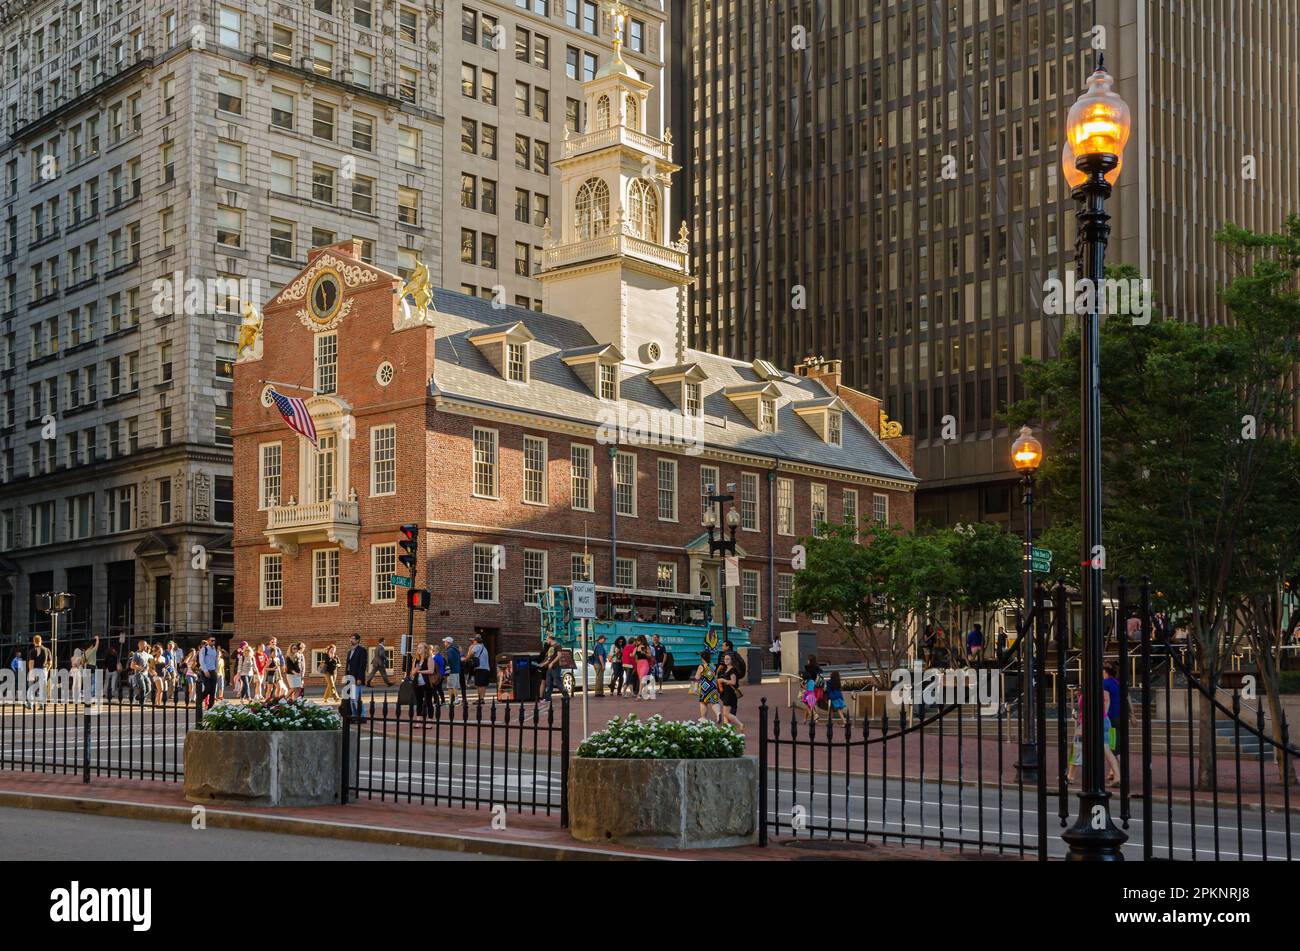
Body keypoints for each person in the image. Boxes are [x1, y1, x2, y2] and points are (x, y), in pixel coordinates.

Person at [715, 653, 744, 728]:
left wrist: (723, 680)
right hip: (727, 692)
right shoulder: (726, 669)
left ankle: (740, 724)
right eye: (725, 659)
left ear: (732, 660)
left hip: (730, 693)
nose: (726, 660)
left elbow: (733, 682)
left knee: (726, 713)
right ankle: (726, 730)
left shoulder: (732, 670)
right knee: (726, 713)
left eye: (728, 659)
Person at [692, 650, 722, 722]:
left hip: (705, 687)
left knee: (703, 702)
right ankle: (718, 713)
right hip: (713, 686)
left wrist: (695, 688)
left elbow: (697, 677)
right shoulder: (713, 665)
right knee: (714, 702)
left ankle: (704, 718)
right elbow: (715, 676)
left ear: (702, 658)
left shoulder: (701, 666)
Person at [537, 634, 564, 706]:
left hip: (555, 667)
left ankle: (566, 695)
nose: (546, 640)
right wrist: (543, 664)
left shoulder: (557, 645)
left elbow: (559, 655)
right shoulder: (551, 647)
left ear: (550, 638)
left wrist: (552, 663)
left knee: (558, 682)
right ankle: (547, 698)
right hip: (549, 667)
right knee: (548, 683)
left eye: (547, 639)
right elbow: (549, 658)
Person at [346, 634, 369, 719]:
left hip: (357, 678)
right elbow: (348, 665)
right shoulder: (350, 651)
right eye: (350, 638)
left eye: (353, 638)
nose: (351, 640)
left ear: (358, 640)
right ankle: (355, 715)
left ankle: (362, 716)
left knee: (356, 698)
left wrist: (359, 678)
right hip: (350, 678)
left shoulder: (362, 650)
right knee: (352, 699)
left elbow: (362, 665)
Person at [466, 635, 491, 703]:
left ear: (476, 641)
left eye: (473, 641)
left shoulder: (477, 646)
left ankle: (480, 699)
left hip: (480, 668)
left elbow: (471, 654)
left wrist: (465, 659)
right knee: (483, 684)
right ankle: (482, 698)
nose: (472, 642)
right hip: (486, 668)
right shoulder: (484, 648)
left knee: (479, 685)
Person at [198, 637, 219, 709]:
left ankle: (211, 707)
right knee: (208, 688)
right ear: (208, 641)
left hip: (213, 671)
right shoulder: (204, 649)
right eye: (212, 640)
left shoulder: (214, 650)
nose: (213, 641)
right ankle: (199, 700)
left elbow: (216, 661)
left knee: (213, 690)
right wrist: (205, 670)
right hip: (205, 671)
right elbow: (201, 660)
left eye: (214, 640)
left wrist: (216, 671)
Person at [412, 643, 433, 717]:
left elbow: (431, 671)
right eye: (418, 647)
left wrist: (419, 671)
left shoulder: (429, 659)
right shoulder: (416, 660)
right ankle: (418, 721)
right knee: (418, 702)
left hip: (426, 684)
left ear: (425, 649)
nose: (419, 649)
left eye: (421, 647)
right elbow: (412, 673)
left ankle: (429, 721)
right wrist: (416, 670)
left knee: (428, 702)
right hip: (417, 684)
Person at [442, 637, 462, 705]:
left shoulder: (449, 650)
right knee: (454, 686)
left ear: (448, 643)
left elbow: (449, 661)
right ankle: (453, 699)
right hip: (456, 670)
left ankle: (454, 700)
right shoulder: (455, 650)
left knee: (451, 686)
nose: (444, 643)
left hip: (451, 671)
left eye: (445, 642)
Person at [430, 642, 447, 707]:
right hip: (442, 675)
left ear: (437, 651)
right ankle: (443, 701)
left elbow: (432, 667)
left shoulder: (435, 658)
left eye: (433, 650)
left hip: (437, 675)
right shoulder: (441, 657)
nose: (432, 651)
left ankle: (436, 701)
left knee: (434, 689)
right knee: (439, 689)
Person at [83, 635, 100, 699]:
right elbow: (97, 645)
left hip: (87, 667)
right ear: (90, 646)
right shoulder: (93, 651)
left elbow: (82, 661)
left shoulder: (85, 653)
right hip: (93, 667)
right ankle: (92, 694)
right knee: (93, 681)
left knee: (88, 681)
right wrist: (97, 639)